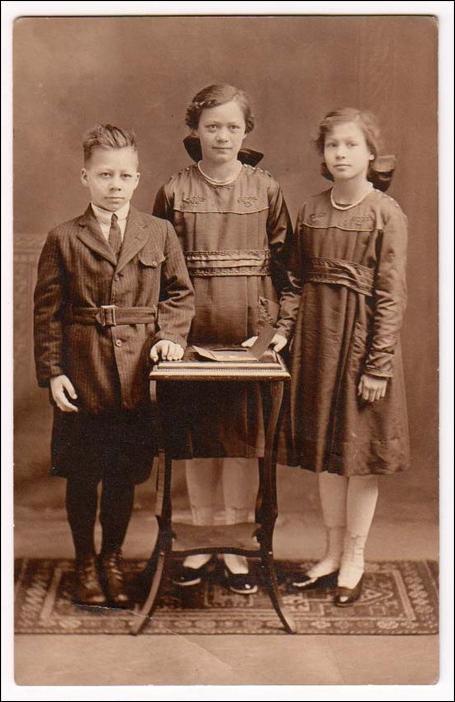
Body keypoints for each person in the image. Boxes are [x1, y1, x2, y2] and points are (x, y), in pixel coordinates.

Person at [34, 124, 194, 608]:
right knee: (84, 474)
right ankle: (85, 562)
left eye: (125, 175)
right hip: (82, 372)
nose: (115, 185)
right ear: (85, 176)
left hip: (135, 377)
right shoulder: (63, 238)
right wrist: (53, 372)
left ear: (138, 178)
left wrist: (169, 338)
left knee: (123, 474)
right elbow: (47, 312)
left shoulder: (158, 232)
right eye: (105, 175)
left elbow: (179, 295)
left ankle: (112, 559)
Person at [153, 84, 298, 594]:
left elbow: (289, 270)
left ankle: (236, 548)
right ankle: (202, 542)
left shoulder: (267, 189)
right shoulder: (173, 190)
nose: (223, 136)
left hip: (250, 338)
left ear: (246, 131)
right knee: (197, 442)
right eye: (212, 126)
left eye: (233, 126)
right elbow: (159, 274)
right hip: (192, 336)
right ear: (195, 130)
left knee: (241, 442)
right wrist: (168, 334)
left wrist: (281, 328)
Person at [284, 108, 410, 606]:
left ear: (370, 154)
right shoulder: (310, 210)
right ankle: (332, 552)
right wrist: (285, 333)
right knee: (326, 456)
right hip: (317, 343)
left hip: (361, 348)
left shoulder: (385, 213)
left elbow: (392, 294)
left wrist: (377, 365)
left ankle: (355, 557)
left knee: (358, 457)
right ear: (323, 154)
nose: (340, 153)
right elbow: (293, 280)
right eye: (333, 145)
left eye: (351, 145)